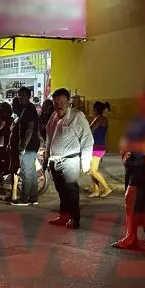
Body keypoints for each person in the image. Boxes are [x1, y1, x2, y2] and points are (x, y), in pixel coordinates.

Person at [112, 88, 145, 249]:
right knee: (131, 202)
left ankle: (131, 236)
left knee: (130, 197)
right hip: (131, 164)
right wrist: (124, 151)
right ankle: (132, 234)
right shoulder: (137, 120)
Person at [44, 88, 94, 229]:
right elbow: (49, 138)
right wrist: (47, 157)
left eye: (62, 102)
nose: (58, 105)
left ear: (69, 102)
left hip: (70, 160)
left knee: (71, 190)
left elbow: (87, 140)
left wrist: (85, 164)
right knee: (61, 190)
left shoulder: (77, 117)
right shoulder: (53, 117)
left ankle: (74, 218)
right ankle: (63, 216)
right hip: (55, 160)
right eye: (56, 102)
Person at [11, 86, 40, 206]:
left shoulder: (29, 109)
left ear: (28, 96)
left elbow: (30, 129)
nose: (20, 97)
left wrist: (23, 146)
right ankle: (33, 197)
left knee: (26, 171)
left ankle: (24, 198)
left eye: (23, 95)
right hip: (31, 144)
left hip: (29, 144)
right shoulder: (25, 108)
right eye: (19, 95)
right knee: (31, 171)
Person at [87, 101, 112, 198]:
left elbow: (90, 130)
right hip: (95, 146)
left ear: (96, 109)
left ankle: (107, 188)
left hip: (97, 147)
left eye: (93, 108)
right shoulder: (100, 118)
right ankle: (96, 190)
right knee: (91, 170)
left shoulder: (101, 119)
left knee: (93, 170)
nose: (92, 110)